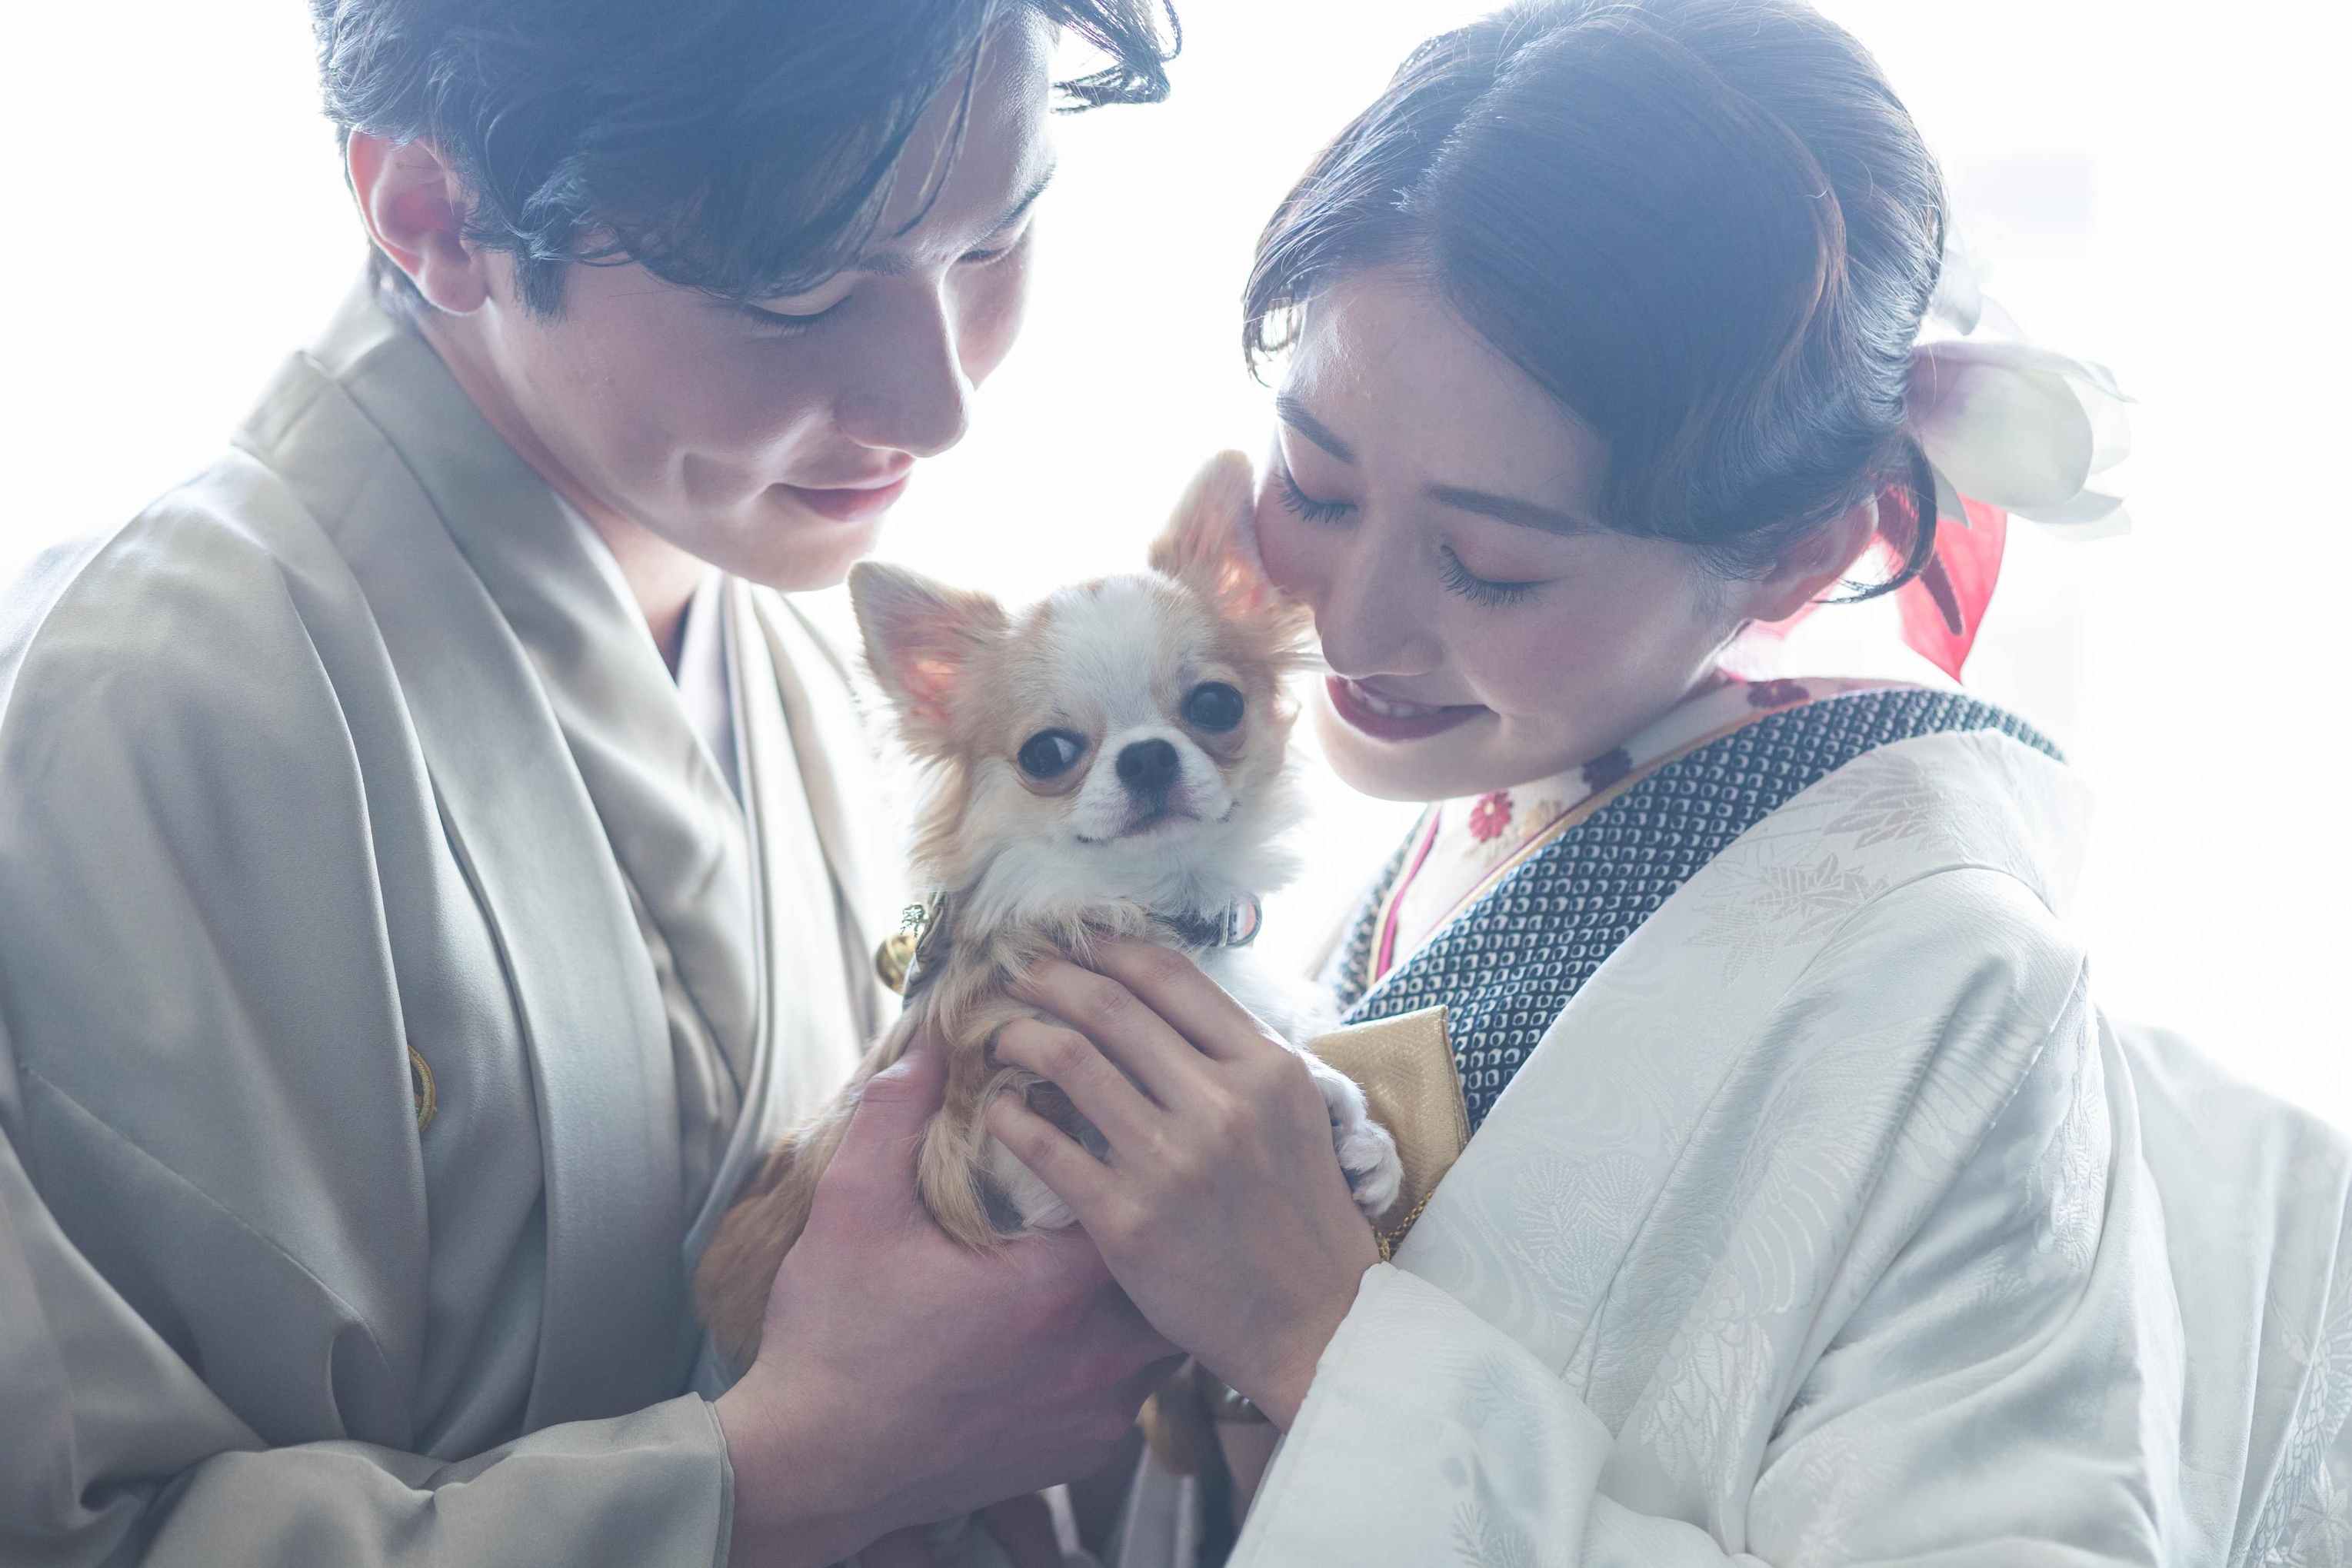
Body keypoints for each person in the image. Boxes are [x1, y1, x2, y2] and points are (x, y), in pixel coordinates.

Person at [979, 3, 2352, 1563]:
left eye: (1488, 564)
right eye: (1316, 484)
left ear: (1792, 555)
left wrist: (1315, 1340)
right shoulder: (1462, 837)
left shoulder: (1954, 988)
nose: (1347, 627)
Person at [0, 4, 1184, 1566]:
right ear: (437, 216)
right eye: (800, 295)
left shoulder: (805, 642)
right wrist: (794, 1470)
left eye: (994, 239)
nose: (938, 400)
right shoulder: (149, 698)